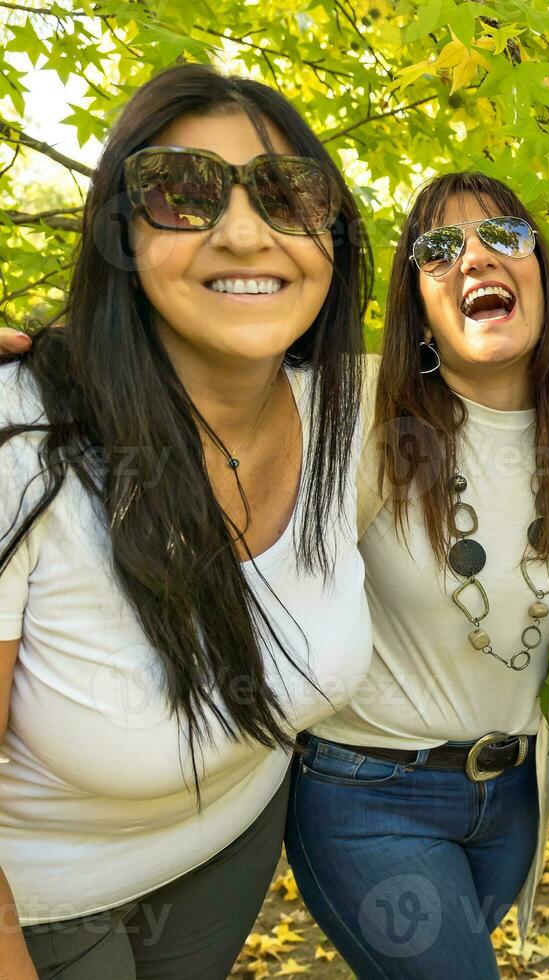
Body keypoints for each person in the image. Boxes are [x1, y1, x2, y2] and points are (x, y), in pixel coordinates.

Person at [0, 64, 373, 979]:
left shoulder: (352, 411)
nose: (246, 233)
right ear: (117, 233)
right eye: (180, 194)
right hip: (47, 898)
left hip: (231, 850)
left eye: (290, 195)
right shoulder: (22, 443)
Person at [284, 171, 549, 979]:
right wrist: (41, 365)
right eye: (438, 249)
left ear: (541, 274)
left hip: (510, 806)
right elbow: (198, 385)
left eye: (503, 237)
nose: (473, 259)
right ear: (421, 305)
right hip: (369, 793)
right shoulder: (359, 404)